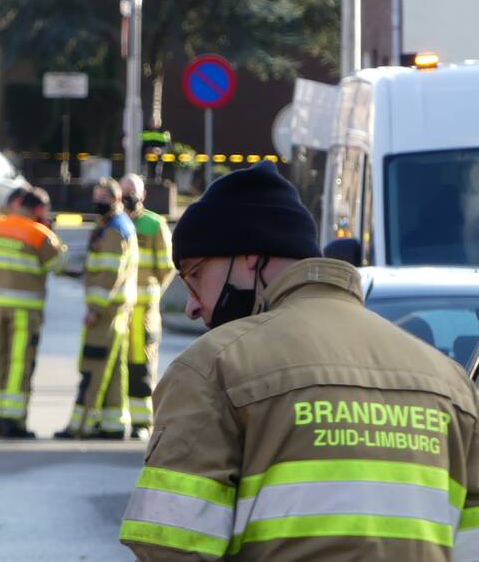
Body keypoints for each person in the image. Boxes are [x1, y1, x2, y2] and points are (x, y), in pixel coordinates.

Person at [119, 161, 479, 560]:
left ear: (249, 256)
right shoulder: (450, 384)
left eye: (195, 275)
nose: (191, 306)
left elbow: (170, 547)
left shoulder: (211, 369)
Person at [0, 188, 67, 438]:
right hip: (25, 310)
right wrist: (52, 233)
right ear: (38, 210)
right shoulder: (39, 234)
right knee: (18, 363)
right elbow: (58, 266)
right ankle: (12, 421)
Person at [55, 179, 139, 439]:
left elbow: (109, 273)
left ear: (115, 200)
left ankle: (81, 425)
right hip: (117, 308)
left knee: (93, 365)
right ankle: (114, 425)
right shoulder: (116, 225)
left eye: (102, 198)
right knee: (113, 369)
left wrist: (95, 308)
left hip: (106, 309)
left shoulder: (114, 230)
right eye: (96, 197)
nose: (97, 203)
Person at [119, 173, 175, 439]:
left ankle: (143, 422)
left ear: (143, 195)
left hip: (142, 309)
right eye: (124, 190)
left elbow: (166, 267)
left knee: (140, 365)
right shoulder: (116, 224)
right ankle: (117, 418)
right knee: (117, 364)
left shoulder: (154, 224)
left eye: (132, 191)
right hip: (120, 309)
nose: (128, 196)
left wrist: (152, 294)